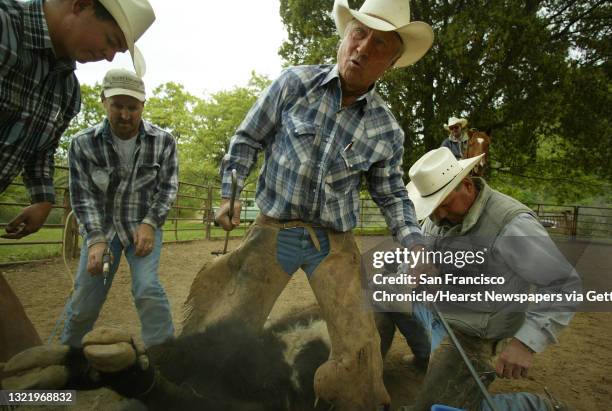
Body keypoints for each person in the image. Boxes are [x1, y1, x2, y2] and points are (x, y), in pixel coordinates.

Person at [182, 0, 434, 409]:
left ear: (391, 62)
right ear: (345, 36)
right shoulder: (293, 84)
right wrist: (230, 195)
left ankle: (357, 399)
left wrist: (415, 245)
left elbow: (391, 193)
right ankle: (199, 396)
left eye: (380, 44)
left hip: (333, 242)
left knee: (360, 348)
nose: (364, 48)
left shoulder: (387, 128)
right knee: (225, 330)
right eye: (359, 33)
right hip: (272, 229)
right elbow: (246, 140)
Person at [398, 147, 578, 411]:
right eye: (432, 209)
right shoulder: (439, 217)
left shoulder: (510, 224)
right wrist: (413, 269)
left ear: (467, 186)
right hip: (439, 312)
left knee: (434, 409)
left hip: (473, 333)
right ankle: (425, 356)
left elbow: (563, 283)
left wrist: (526, 342)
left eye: (443, 206)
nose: (437, 217)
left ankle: (536, 407)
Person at [1, 0, 155, 240]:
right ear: (81, 5)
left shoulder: (68, 92)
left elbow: (42, 149)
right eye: (111, 41)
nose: (109, 57)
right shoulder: (5, 30)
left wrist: (42, 198)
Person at [60, 68, 177, 349]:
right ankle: (68, 357)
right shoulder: (82, 144)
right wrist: (96, 239)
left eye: (132, 107)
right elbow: (82, 196)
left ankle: (165, 358)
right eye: (118, 106)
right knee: (85, 298)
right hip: (102, 228)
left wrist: (150, 223)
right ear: (104, 102)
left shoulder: (164, 141)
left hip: (143, 225)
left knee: (147, 288)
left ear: (143, 106)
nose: (125, 115)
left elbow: (168, 188)